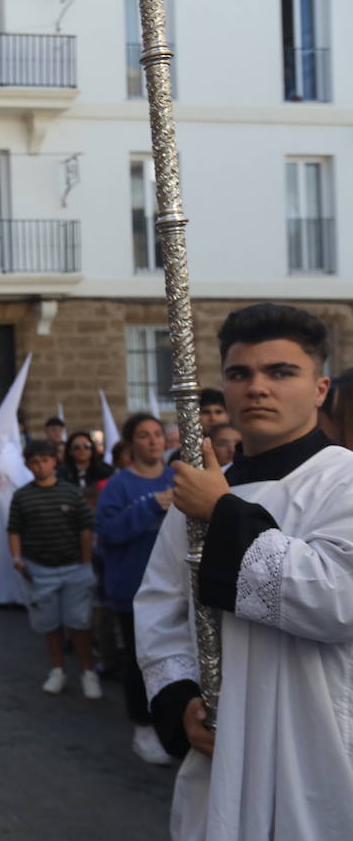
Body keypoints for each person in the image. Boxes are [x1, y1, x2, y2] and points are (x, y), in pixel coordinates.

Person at [136, 304, 353, 839]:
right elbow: (160, 607)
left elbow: (337, 601)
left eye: (281, 372)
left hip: (318, 738)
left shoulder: (343, 480)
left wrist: (224, 513)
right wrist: (180, 698)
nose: (257, 388)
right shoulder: (203, 489)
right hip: (221, 747)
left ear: (320, 388)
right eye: (240, 374)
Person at [95, 412, 174, 766]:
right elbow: (108, 532)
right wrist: (152, 506)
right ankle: (143, 727)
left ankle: (172, 722)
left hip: (176, 587)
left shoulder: (179, 477)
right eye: (144, 435)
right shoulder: (118, 486)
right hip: (134, 587)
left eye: (157, 434)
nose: (154, 441)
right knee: (139, 659)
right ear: (131, 444)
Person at [8, 440, 101, 699]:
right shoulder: (22, 495)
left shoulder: (70, 493)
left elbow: (85, 527)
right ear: (28, 464)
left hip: (73, 567)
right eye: (35, 462)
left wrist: (85, 562)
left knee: (79, 623)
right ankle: (58, 670)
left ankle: (87, 672)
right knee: (50, 625)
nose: (40, 467)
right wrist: (17, 558)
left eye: (45, 461)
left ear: (55, 462)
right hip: (40, 569)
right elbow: (14, 528)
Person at [59, 430, 113, 500]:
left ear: (92, 449)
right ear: (70, 451)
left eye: (86, 446)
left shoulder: (105, 470)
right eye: (76, 447)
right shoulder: (62, 472)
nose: (82, 450)